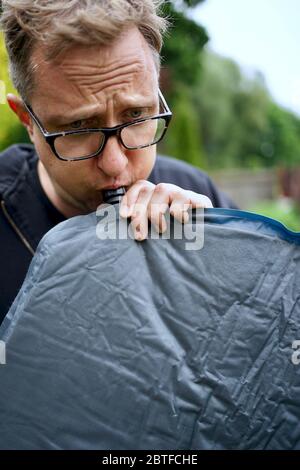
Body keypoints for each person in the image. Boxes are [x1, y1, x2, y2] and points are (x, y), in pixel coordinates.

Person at [0, 0, 236, 324]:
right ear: (27, 120)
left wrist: (223, 252)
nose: (114, 164)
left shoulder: (195, 193)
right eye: (79, 126)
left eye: (136, 114)